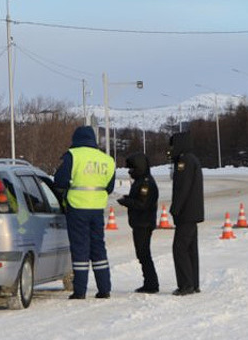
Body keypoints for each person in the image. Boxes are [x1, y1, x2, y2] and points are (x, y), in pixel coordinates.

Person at [54, 125, 116, 300]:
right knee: (98, 248)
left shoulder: (73, 156)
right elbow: (109, 187)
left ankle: (80, 290)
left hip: (77, 207)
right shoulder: (107, 160)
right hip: (97, 209)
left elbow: (60, 180)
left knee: (80, 248)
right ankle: (104, 289)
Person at [117, 152, 159, 294]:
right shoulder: (141, 181)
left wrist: (126, 202)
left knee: (143, 254)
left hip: (144, 223)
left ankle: (151, 283)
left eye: (132, 169)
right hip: (140, 222)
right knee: (142, 253)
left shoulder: (146, 183)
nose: (130, 172)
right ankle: (149, 282)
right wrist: (128, 198)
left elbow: (142, 203)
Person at [169, 131, 204, 296]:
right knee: (190, 249)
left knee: (179, 248)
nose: (170, 150)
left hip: (186, 213)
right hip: (192, 212)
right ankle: (193, 283)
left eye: (172, 146)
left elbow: (182, 187)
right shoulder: (192, 159)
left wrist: (175, 209)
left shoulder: (184, 161)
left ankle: (186, 285)